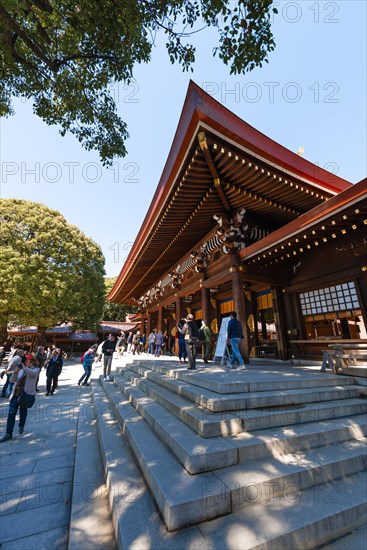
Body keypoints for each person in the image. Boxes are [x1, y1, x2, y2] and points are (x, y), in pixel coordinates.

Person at [0, 356, 40, 441]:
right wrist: (15, 372)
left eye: (29, 362)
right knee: (11, 413)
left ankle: (21, 426)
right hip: (15, 394)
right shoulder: (22, 370)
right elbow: (12, 380)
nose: (27, 363)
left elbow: (32, 374)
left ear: (33, 363)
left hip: (25, 395)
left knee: (23, 411)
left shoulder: (36, 370)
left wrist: (24, 368)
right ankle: (8, 433)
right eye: (27, 362)